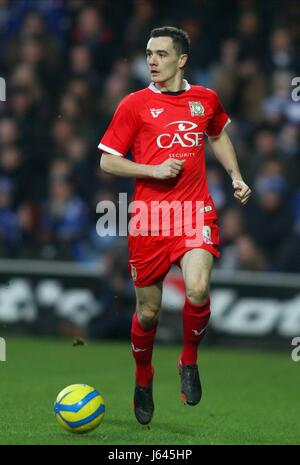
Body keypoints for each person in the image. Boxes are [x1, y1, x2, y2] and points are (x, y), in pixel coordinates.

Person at [99, 26, 251, 425]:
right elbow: (108, 160)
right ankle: (143, 376)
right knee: (148, 313)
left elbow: (217, 135)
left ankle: (188, 361)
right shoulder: (133, 105)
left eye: (161, 54)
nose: (152, 60)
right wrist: (153, 168)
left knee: (198, 289)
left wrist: (235, 174)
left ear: (181, 59)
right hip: (150, 220)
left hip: (194, 212)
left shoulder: (206, 99)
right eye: (149, 53)